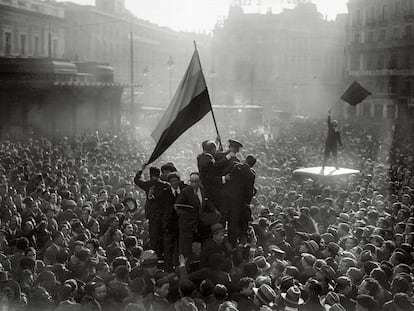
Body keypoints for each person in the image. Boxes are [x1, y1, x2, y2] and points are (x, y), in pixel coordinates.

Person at [175, 172, 219, 261]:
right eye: (192, 182)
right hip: (188, 224)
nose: (194, 184)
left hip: (200, 224)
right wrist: (187, 215)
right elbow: (177, 206)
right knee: (185, 248)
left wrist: (214, 210)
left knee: (204, 244)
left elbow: (207, 202)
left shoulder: (203, 190)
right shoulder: (185, 192)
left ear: (200, 181)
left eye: (196, 181)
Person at [134, 166, 169, 257]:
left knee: (154, 237)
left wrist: (140, 170)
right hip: (163, 215)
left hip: (152, 216)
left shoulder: (148, 184)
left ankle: (156, 254)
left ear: (150, 175)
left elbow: (137, 180)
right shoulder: (165, 185)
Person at [227, 155, 257, 246]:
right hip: (243, 203)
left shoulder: (237, 167)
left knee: (232, 224)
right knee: (242, 225)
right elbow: (249, 191)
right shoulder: (251, 174)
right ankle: (241, 244)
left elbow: (230, 180)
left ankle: (232, 243)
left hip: (232, 201)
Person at [162, 172, 188, 272]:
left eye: (176, 180)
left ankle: (179, 267)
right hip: (169, 225)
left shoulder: (184, 191)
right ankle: (168, 268)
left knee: (180, 247)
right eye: (172, 181)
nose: (174, 183)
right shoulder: (165, 193)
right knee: (169, 248)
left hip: (182, 223)